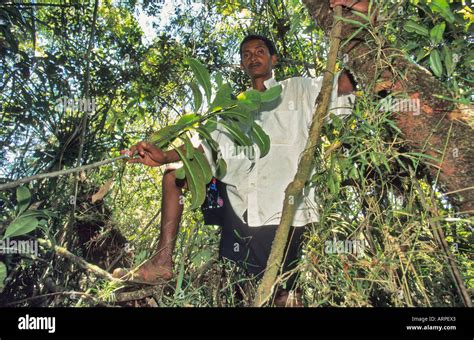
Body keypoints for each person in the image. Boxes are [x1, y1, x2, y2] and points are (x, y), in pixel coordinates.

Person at [113, 0, 368, 306]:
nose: (253, 57)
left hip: (283, 207)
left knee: (284, 293)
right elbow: (202, 149)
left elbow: (346, 84)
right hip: (237, 204)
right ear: (241, 65)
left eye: (260, 51)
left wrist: (360, 24)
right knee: (175, 178)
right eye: (246, 54)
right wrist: (163, 155)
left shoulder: (300, 89)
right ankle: (162, 262)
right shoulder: (230, 110)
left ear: (273, 58)